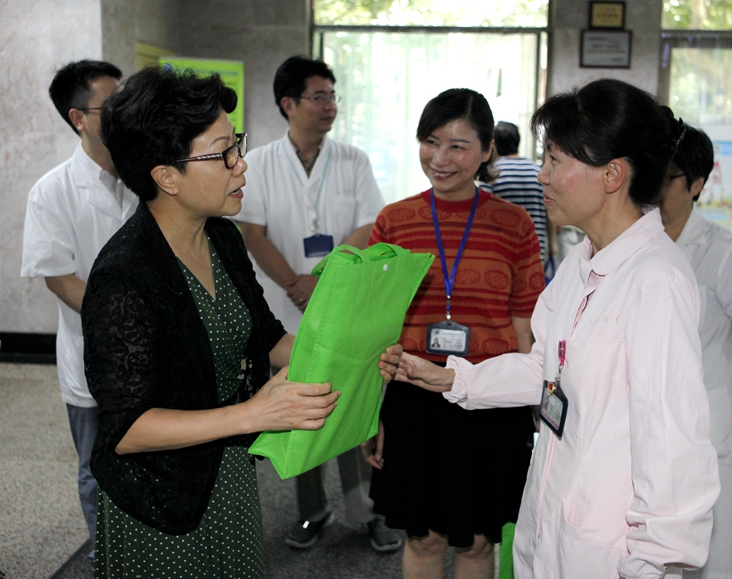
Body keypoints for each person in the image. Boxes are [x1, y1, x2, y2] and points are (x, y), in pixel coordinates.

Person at [379, 79, 721, 579]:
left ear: (611, 175)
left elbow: (673, 446)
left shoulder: (655, 281)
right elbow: (545, 368)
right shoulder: (583, 262)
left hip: (609, 551)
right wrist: (453, 378)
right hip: (554, 513)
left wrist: (649, 564)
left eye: (555, 161)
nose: (541, 175)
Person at [82, 66, 342, 578]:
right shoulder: (124, 275)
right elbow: (126, 429)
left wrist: (351, 351)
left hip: (226, 472)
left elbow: (267, 338)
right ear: (166, 177)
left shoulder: (222, 237)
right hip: (160, 495)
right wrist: (251, 414)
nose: (241, 165)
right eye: (222, 154)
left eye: (236, 145)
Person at [364, 88, 544, 579]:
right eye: (430, 141)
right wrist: (371, 412)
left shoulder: (513, 224)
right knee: (423, 538)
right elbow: (374, 328)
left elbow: (526, 321)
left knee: (478, 542)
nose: (440, 159)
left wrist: (536, 410)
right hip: (413, 397)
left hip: (492, 400)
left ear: (487, 151)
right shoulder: (394, 222)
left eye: (458, 146)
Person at [233, 55, 397, 551]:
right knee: (299, 407)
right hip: (284, 309)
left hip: (341, 302)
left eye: (332, 96)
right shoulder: (260, 162)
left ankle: (367, 512)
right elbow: (252, 233)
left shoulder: (352, 160)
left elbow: (370, 224)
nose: (330, 106)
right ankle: (312, 510)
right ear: (288, 104)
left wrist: (323, 281)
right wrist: (294, 283)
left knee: (353, 402)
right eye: (319, 96)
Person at [20, 59, 135, 560]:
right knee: (96, 465)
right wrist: (126, 322)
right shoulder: (52, 191)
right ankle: (106, 557)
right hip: (93, 355)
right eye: (112, 104)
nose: (124, 111)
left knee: (149, 457)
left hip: (155, 351)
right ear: (79, 119)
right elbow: (59, 277)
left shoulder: (146, 176)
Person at [659, 124, 732, 579]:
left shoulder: (726, 253)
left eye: (667, 177)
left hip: (702, 418)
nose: (654, 186)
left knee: (707, 541)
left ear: (696, 184)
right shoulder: (631, 246)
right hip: (643, 413)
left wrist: (706, 378)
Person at [482, 121, 549, 258]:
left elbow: (482, 211)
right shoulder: (538, 171)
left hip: (502, 249)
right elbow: (549, 208)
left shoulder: (492, 173)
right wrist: (552, 243)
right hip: (536, 248)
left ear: (495, 145)